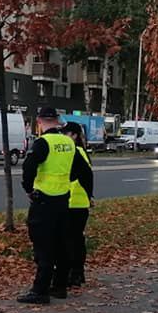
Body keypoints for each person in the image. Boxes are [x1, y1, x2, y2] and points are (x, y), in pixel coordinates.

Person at [18, 106, 94, 304]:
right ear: (57, 121)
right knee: (62, 244)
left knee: (43, 245)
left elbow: (29, 167)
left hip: (43, 200)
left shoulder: (43, 143)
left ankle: (40, 290)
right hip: (63, 200)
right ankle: (60, 286)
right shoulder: (68, 143)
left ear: (40, 122)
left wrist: (28, 189)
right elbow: (84, 170)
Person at [60, 121, 93, 288]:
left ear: (73, 135)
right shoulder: (80, 151)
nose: (62, 136)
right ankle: (77, 273)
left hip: (74, 202)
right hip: (77, 202)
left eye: (65, 133)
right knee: (75, 240)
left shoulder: (76, 152)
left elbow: (85, 177)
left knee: (72, 241)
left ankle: (75, 273)